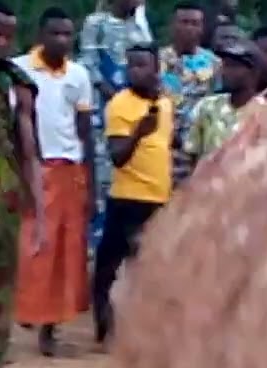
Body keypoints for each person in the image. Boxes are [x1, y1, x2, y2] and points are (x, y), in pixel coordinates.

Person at [13, 7, 93, 358]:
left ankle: (49, 329)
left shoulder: (79, 74)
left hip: (69, 169)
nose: (62, 40)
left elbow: (84, 129)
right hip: (32, 170)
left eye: (67, 34)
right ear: (40, 35)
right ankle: (20, 315)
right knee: (28, 247)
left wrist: (89, 180)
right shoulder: (18, 70)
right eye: (55, 33)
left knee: (64, 252)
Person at [95, 44, 173, 347]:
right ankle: (103, 326)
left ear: (156, 69)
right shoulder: (119, 104)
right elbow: (117, 156)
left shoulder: (165, 103)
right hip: (128, 198)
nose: (134, 71)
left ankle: (144, 331)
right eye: (131, 65)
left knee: (149, 269)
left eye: (142, 65)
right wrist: (139, 132)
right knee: (109, 267)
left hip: (158, 199)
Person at [0, 1, 46, 368]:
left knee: (1, 301)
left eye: (9, 34)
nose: (2, 41)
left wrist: (40, 214)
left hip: (4, 203)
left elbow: (29, 151)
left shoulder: (17, 84)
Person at [79, 0, 150, 250]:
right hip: (103, 112)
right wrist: (116, 98)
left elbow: (148, 62)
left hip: (134, 115)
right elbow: (88, 65)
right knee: (101, 179)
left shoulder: (139, 26)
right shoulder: (95, 23)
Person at [161, 1, 219, 185]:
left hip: (198, 147)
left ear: (202, 28)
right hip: (162, 145)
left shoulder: (214, 63)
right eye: (184, 22)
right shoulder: (156, 60)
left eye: (195, 23)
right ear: (172, 25)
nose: (189, 28)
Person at [185, 41, 258, 170]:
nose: (224, 72)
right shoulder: (207, 106)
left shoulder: (265, 113)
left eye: (233, 66)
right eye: (224, 65)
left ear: (252, 72)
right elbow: (192, 155)